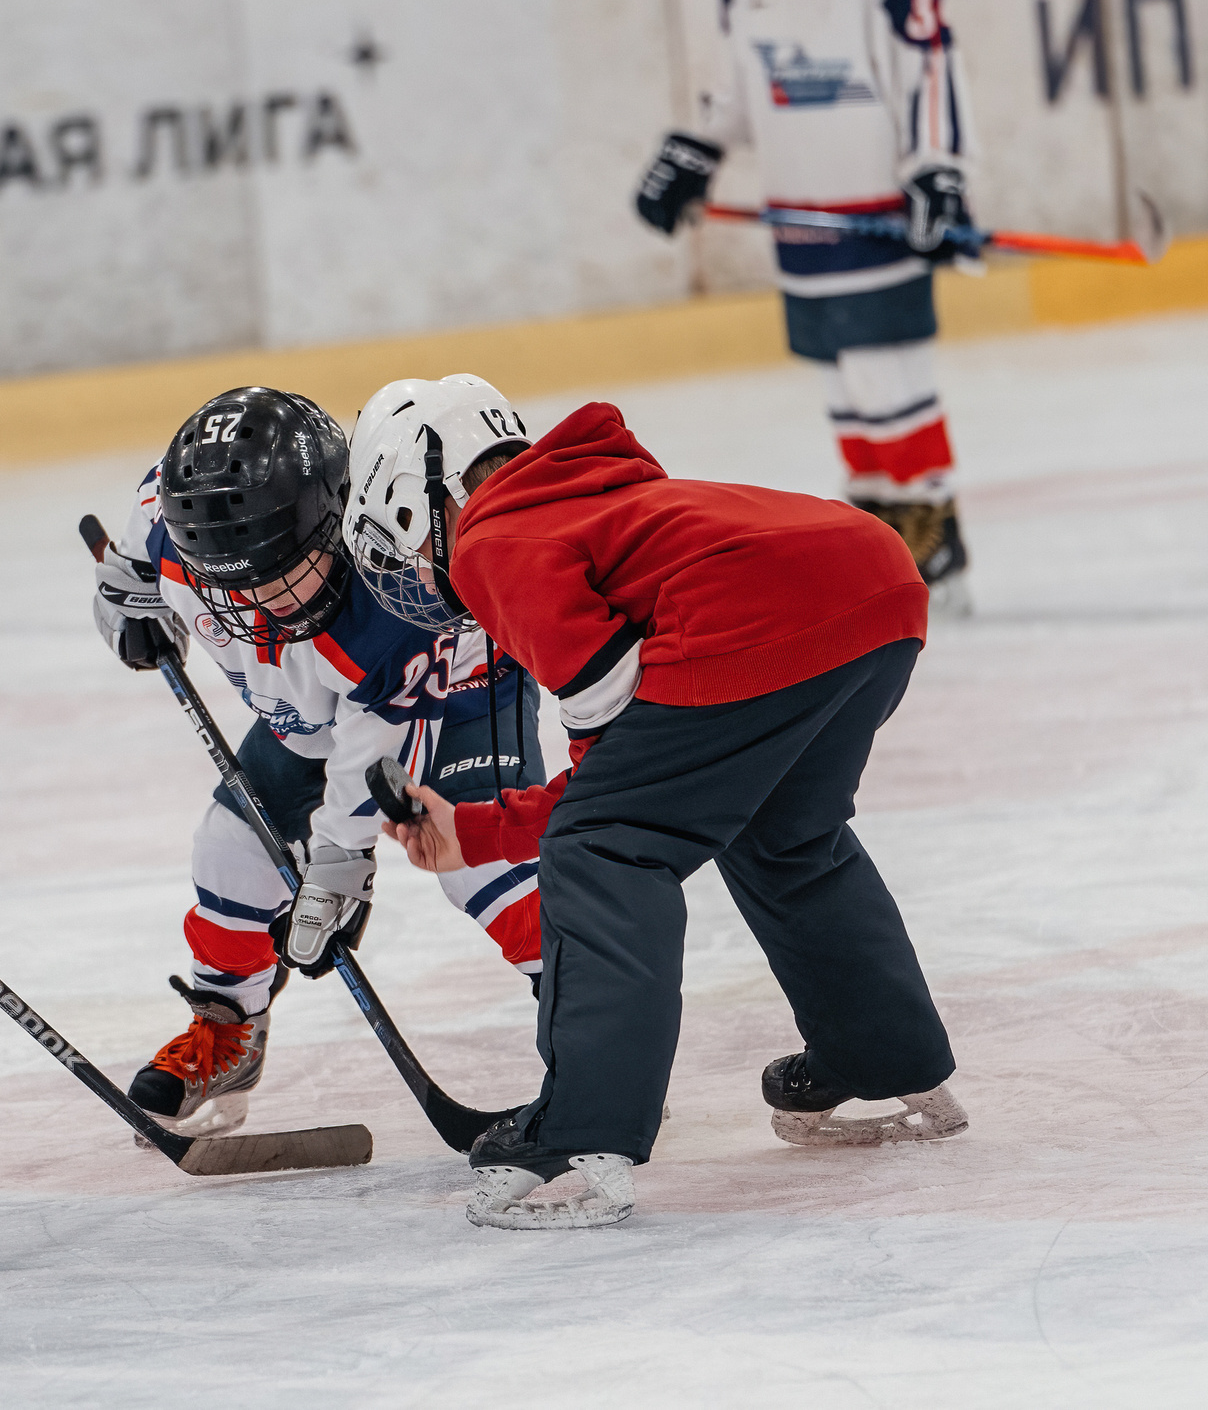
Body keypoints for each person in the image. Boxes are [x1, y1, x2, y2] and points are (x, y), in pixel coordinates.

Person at [350, 375, 966, 1231]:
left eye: (404, 543)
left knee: (601, 854)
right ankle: (884, 1052)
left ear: (422, 501)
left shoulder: (491, 535)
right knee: (785, 833)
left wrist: (519, 827)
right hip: (876, 582)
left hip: (759, 623)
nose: (417, 569)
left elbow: (611, 779)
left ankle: (584, 1128)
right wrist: (483, 830)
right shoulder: (584, 496)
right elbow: (640, 765)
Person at [90, 384, 547, 1139]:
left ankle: (601, 1048)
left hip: (460, 693)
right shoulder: (172, 517)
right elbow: (126, 570)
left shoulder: (385, 597)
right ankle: (229, 1028)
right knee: (232, 851)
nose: (259, 605)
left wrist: (338, 867)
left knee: (485, 864)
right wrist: (125, 604)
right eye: (230, 584)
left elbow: (371, 751)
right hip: (317, 719)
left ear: (336, 520)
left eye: (278, 573)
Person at [634, 0, 979, 614]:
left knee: (889, 377)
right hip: (802, 221)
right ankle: (875, 524)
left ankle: (931, 520)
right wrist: (693, 150)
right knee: (840, 381)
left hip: (876, 214)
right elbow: (738, 89)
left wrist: (937, 174)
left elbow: (928, 68)